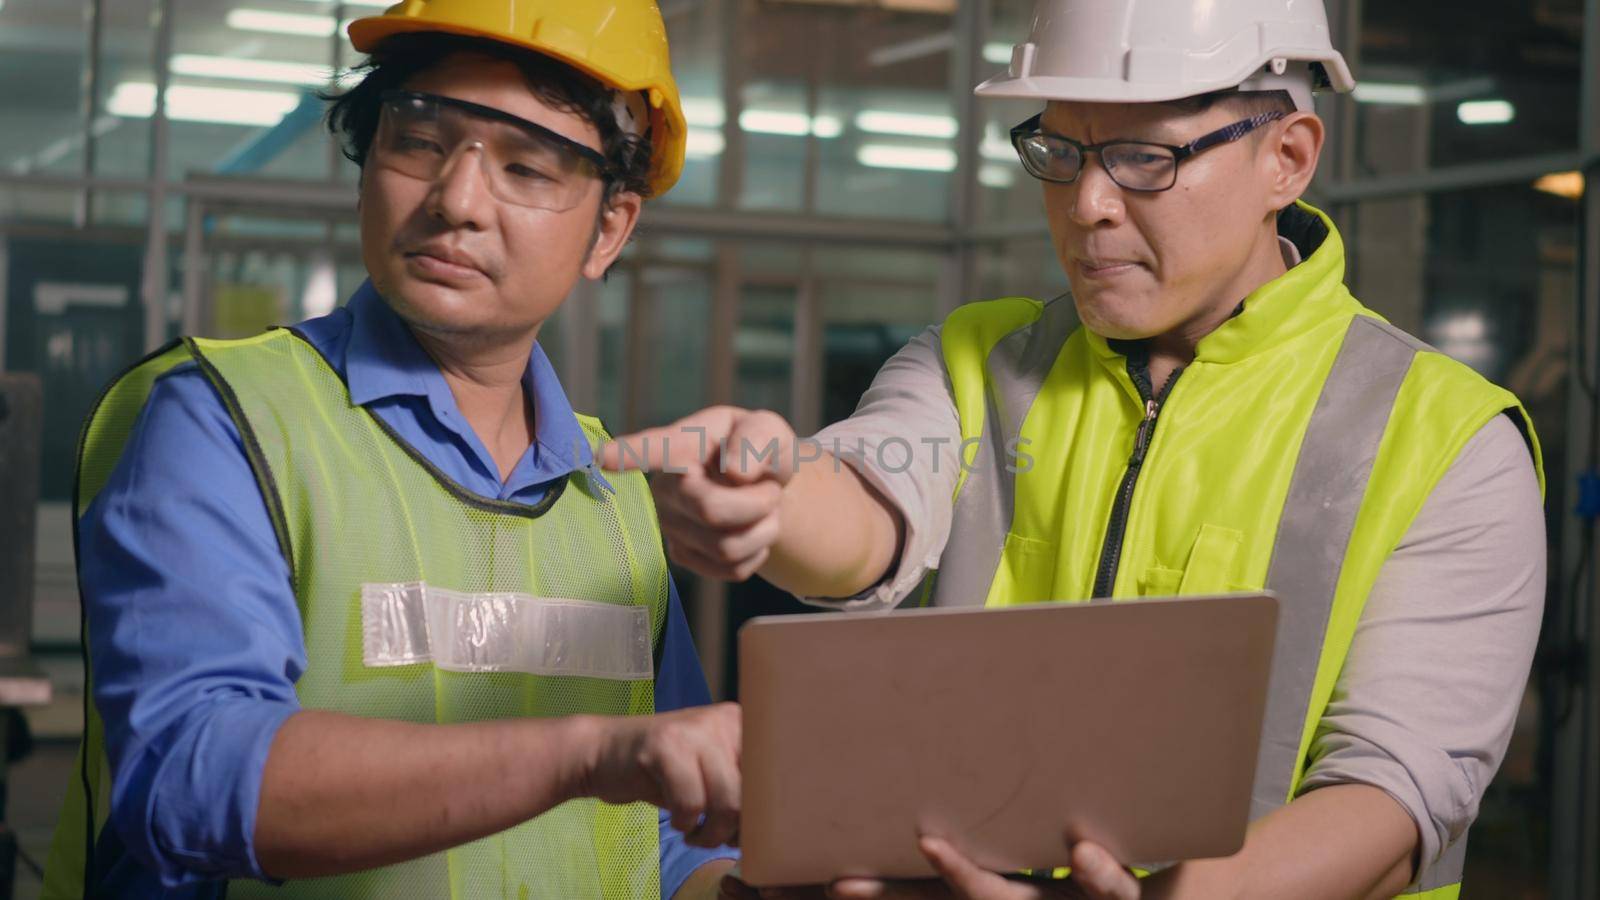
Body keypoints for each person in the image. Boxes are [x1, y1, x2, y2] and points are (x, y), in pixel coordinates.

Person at [602, 1, 1546, 897]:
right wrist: (773, 498)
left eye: (1143, 157)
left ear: (1287, 159)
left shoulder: (1448, 440)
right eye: (1060, 150)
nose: (1088, 202)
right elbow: (869, 507)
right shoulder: (981, 360)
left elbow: (1396, 797)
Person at [43, 2, 742, 897]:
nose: (455, 201)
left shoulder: (613, 497)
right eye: (419, 141)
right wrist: (589, 752)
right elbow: (191, 779)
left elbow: (665, 836)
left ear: (609, 229)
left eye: (526, 167)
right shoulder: (225, 419)